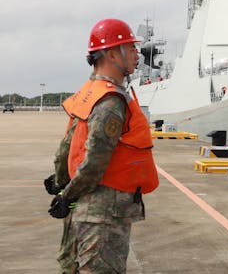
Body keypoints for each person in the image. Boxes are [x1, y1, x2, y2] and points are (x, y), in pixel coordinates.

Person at [48, 18, 158, 273]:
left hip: (85, 210)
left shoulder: (91, 92)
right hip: (103, 216)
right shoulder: (110, 102)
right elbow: (95, 162)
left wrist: (62, 182)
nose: (136, 53)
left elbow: (68, 145)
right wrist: (66, 194)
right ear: (112, 54)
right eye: (130, 47)